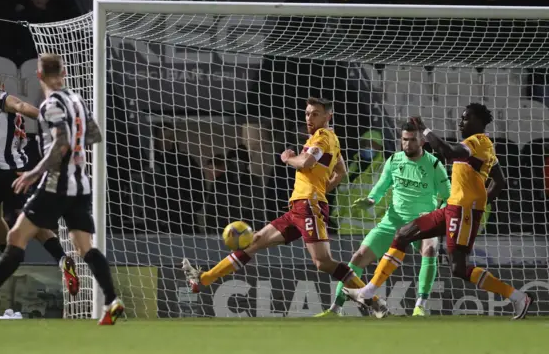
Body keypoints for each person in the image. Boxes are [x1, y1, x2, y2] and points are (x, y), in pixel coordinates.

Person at [0, 54, 124, 325]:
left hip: (53, 183)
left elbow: (59, 143)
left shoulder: (50, 103)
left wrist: (35, 170)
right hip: (80, 183)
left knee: (16, 234)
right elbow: (93, 136)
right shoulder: (76, 101)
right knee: (84, 246)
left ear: (39, 76)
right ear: (63, 72)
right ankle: (112, 301)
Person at [182, 97, 388, 318]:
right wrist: (321, 187)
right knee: (255, 241)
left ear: (328, 116)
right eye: (308, 113)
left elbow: (306, 162)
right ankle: (202, 279)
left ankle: (374, 301)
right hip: (299, 207)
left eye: (315, 113)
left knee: (323, 262)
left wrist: (288, 158)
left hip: (309, 206)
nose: (309, 118)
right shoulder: (330, 139)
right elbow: (341, 171)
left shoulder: (321, 137)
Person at [345, 103, 534, 320]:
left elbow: (449, 152)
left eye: (466, 118)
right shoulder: (485, 146)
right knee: (403, 234)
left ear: (479, 122)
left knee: (458, 269)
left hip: (463, 212)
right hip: (452, 208)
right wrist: (480, 201)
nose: (461, 121)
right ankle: (368, 292)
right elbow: (499, 182)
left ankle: (518, 297)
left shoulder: (477, 142)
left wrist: (425, 129)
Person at [0, 71, 80, 296]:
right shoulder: (8, 119)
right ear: (2, 83)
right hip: (14, 172)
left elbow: (19, 104)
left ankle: (8, 259)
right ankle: (61, 259)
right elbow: (3, 143)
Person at [315, 122, 451, 318]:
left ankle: (420, 307)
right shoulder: (393, 161)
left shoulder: (434, 165)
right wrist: (370, 200)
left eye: (412, 140)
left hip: (422, 222)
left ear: (421, 141)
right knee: (358, 257)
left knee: (431, 249)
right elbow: (380, 187)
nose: (408, 144)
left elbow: (449, 198)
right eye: (404, 139)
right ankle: (336, 309)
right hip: (393, 221)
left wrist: (435, 216)